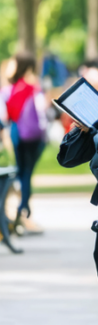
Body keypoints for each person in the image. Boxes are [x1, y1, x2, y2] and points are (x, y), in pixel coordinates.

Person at [0, 52, 48, 223]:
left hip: (18, 134)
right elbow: (43, 111)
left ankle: (23, 209)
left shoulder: (11, 88)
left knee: (22, 171)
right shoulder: (34, 87)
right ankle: (24, 208)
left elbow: (5, 115)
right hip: (35, 136)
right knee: (26, 172)